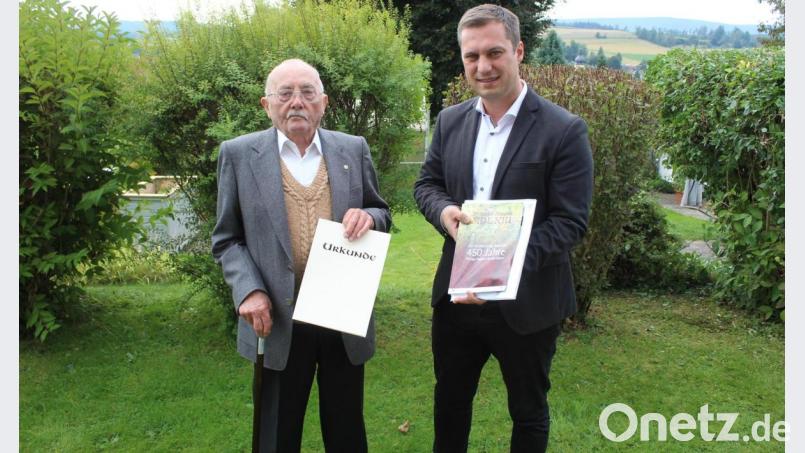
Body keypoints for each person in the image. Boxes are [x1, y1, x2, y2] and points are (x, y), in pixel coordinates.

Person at [413, 5, 593, 452]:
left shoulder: (564, 130)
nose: (483, 66)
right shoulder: (451, 121)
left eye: (494, 53)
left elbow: (570, 222)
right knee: (450, 404)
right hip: (456, 300)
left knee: (528, 413)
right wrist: (444, 212)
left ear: (518, 50)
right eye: (472, 56)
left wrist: (500, 265)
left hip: (527, 303)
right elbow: (427, 185)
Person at [212, 58, 390, 453]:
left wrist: (370, 218)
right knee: (276, 434)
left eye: (307, 93)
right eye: (285, 93)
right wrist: (248, 291)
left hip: (340, 314)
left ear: (323, 103)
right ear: (266, 104)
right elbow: (226, 238)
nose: (297, 102)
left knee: (346, 432)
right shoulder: (239, 155)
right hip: (276, 317)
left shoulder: (352, 149)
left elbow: (382, 211)